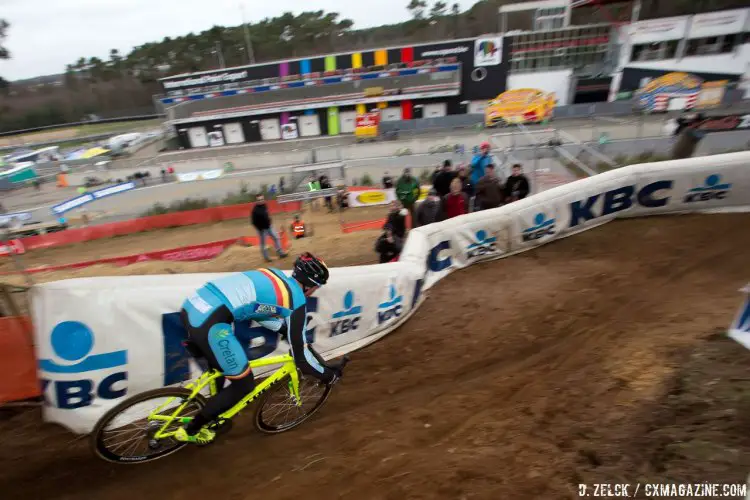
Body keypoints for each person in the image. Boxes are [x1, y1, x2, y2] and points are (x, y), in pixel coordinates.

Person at [174, 253, 344, 445]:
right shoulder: (297, 301)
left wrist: (283, 328)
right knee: (244, 384)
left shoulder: (273, 273)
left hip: (192, 307)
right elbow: (302, 361)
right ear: (312, 285)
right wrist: (328, 376)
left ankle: (212, 413)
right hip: (210, 324)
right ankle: (191, 430)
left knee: (222, 368)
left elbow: (257, 310)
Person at [251, 194, 288, 262]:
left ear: (264, 199)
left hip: (269, 227)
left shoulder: (265, 205)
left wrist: (269, 220)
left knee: (276, 238)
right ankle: (266, 258)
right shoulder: (255, 210)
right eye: (259, 200)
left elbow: (266, 214)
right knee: (263, 244)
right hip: (262, 230)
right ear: (256, 201)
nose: (261, 201)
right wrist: (260, 229)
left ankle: (280, 253)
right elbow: (253, 222)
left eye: (262, 199)